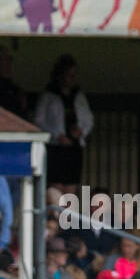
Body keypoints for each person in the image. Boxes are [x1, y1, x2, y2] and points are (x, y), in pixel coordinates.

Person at [34, 54, 92, 189]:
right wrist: (57, 135)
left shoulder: (78, 95)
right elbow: (39, 121)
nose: (71, 79)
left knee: (71, 188)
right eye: (68, 75)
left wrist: (81, 131)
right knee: (56, 187)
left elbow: (88, 119)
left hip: (74, 147)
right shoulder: (48, 95)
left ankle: (68, 210)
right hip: (56, 147)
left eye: (73, 75)